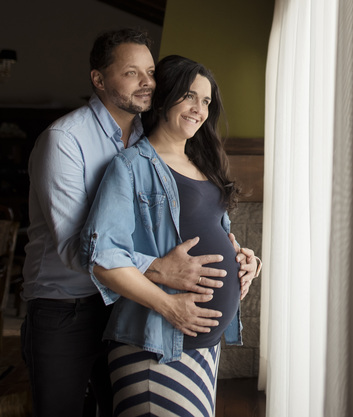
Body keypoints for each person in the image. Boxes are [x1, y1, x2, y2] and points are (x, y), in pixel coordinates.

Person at [21, 29, 258, 417]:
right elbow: (77, 248)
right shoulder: (65, 139)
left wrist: (240, 258)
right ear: (99, 79)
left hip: (127, 306)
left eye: (150, 72)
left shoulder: (147, 140)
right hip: (66, 307)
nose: (147, 82)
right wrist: (159, 271)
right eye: (132, 73)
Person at [81, 55, 263, 417]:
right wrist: (170, 307)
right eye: (189, 96)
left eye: (206, 101)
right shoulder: (130, 166)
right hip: (156, 342)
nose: (199, 109)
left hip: (203, 346)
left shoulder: (204, 164)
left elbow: (216, 233)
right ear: (164, 97)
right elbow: (103, 257)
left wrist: (244, 258)